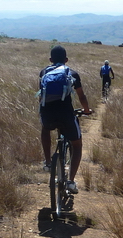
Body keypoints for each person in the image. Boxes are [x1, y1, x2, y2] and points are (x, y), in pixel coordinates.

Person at [39, 45, 92, 194]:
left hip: (48, 114)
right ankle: (70, 181)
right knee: (77, 146)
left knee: (45, 129)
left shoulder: (44, 73)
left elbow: (41, 97)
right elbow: (81, 96)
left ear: (50, 59)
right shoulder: (72, 74)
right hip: (66, 115)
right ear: (66, 60)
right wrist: (86, 110)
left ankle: (48, 162)